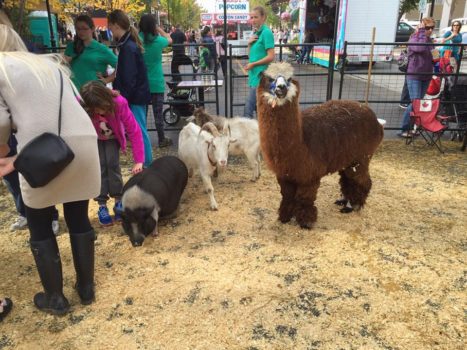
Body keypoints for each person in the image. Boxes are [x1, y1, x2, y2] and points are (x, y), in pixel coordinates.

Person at [0, 24, 100, 315]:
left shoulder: (3, 68)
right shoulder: (48, 64)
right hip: (80, 143)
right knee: (78, 214)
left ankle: (55, 298)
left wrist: (6, 153)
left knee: (39, 221)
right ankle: (86, 288)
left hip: (42, 150)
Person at [80, 81, 144, 226]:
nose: (100, 112)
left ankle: (118, 201)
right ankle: (102, 205)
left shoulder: (119, 103)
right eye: (95, 109)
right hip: (93, 139)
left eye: (101, 108)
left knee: (112, 164)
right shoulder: (83, 105)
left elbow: (134, 130)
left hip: (111, 138)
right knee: (99, 167)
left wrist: (139, 160)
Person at [108, 10, 152, 167]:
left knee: (138, 130)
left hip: (134, 97)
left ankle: (145, 163)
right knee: (139, 129)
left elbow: (129, 78)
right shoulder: (128, 45)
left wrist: (123, 99)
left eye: (110, 26)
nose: (109, 30)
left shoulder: (127, 47)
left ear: (115, 25)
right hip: (136, 95)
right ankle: (145, 163)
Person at [4, 134, 60, 233]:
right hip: (4, 145)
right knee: (13, 184)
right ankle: (24, 214)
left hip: (20, 136)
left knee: (37, 179)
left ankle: (52, 217)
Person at [139, 14, 173, 148]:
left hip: (142, 84)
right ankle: (161, 139)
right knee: (158, 114)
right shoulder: (159, 40)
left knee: (142, 114)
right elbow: (170, 39)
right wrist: (159, 29)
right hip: (157, 83)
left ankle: (142, 140)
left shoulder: (138, 40)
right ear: (154, 26)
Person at [399, 17, 435, 137]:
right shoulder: (414, 37)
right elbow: (419, 48)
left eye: (432, 28)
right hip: (414, 75)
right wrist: (421, 33)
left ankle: (412, 128)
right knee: (415, 102)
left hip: (426, 75)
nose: (430, 30)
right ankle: (404, 129)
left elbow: (432, 54)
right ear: (421, 27)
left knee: (418, 103)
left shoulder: (429, 39)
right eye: (427, 27)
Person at [63, 14, 117, 91]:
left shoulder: (102, 49)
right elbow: (64, 67)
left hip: (93, 93)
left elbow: (120, 66)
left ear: (92, 29)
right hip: (73, 91)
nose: (81, 32)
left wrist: (106, 80)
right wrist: (64, 62)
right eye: (78, 29)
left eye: (84, 29)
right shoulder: (71, 46)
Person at [243, 6, 275, 118]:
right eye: (251, 17)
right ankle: (260, 133)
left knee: (248, 109)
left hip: (261, 77)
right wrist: (249, 44)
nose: (253, 20)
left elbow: (271, 56)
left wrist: (254, 64)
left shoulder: (266, 32)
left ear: (263, 17)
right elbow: (250, 56)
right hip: (253, 76)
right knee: (259, 109)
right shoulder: (257, 34)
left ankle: (246, 134)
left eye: (256, 17)